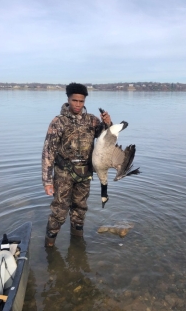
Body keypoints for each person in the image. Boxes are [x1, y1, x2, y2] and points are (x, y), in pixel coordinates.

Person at [42, 83, 112, 247]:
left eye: (81, 101)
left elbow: (106, 139)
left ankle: (77, 244)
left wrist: (108, 124)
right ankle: (49, 248)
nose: (78, 105)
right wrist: (47, 181)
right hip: (63, 174)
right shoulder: (58, 122)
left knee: (80, 209)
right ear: (68, 99)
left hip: (85, 174)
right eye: (75, 100)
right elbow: (48, 152)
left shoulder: (92, 120)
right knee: (59, 211)